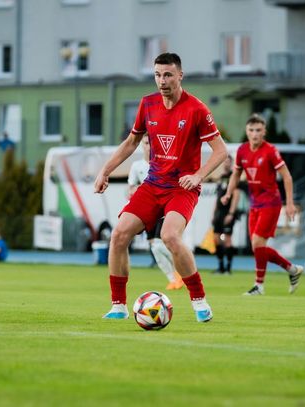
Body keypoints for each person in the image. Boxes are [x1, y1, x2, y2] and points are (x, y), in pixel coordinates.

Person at [94, 52, 227, 322]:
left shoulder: (197, 109)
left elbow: (221, 151)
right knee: (118, 235)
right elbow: (131, 142)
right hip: (153, 184)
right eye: (157, 75)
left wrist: (198, 175)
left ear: (180, 75)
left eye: (167, 75)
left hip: (181, 188)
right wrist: (104, 171)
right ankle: (118, 306)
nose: (162, 80)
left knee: (170, 237)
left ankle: (199, 301)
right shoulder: (148, 104)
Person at [222, 114, 303, 295]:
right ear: (247, 131)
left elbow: (287, 177)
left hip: (271, 203)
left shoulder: (270, 151)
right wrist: (228, 193)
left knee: (258, 243)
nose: (255, 134)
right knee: (257, 248)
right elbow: (236, 174)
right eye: (251, 130)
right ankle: (292, 270)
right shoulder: (242, 150)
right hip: (255, 204)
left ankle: (259, 286)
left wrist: (289, 203)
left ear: (264, 131)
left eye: (258, 130)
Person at [128, 134, 184, 290]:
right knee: (154, 247)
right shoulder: (136, 166)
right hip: (148, 210)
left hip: (164, 208)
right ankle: (173, 279)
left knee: (160, 245)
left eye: (151, 143)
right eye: (146, 143)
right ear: (142, 145)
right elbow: (131, 189)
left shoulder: (164, 164)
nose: (149, 146)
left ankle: (182, 271)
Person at [212, 155, 240, 274]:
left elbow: (236, 195)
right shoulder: (221, 178)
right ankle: (221, 267)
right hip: (219, 213)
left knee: (227, 239)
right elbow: (217, 197)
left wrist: (231, 213)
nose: (226, 164)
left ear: (231, 163)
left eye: (228, 162)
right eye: (225, 162)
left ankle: (228, 268)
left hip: (228, 212)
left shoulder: (233, 177)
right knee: (216, 239)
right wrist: (214, 213)